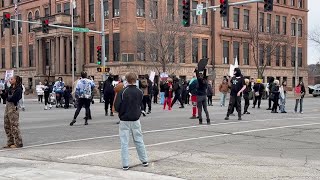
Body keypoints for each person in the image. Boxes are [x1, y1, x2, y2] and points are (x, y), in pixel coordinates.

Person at [114, 72, 148, 170]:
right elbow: (141, 104)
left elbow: (116, 106)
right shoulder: (139, 91)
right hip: (136, 119)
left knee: (124, 142)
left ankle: (125, 163)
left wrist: (121, 111)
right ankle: (144, 160)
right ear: (136, 80)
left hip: (124, 119)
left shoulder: (123, 91)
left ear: (126, 80)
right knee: (139, 140)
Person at [3, 75, 23, 148]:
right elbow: (5, 97)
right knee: (6, 125)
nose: (10, 80)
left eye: (11, 79)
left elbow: (14, 98)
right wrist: (2, 93)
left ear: (16, 80)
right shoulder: (10, 88)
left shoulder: (18, 89)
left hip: (14, 108)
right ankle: (10, 142)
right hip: (7, 108)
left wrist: (8, 97)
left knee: (14, 126)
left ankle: (18, 143)